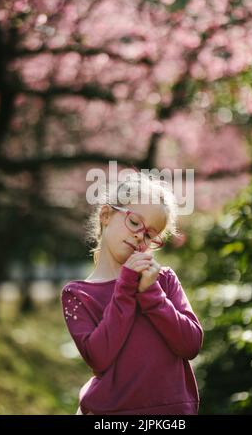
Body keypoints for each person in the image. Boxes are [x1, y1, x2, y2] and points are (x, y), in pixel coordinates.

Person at [60, 172, 203, 415]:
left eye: (149, 234)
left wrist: (151, 294)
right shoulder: (78, 295)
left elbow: (191, 345)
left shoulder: (163, 280)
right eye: (135, 222)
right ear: (106, 215)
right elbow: (99, 358)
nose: (140, 235)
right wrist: (126, 287)